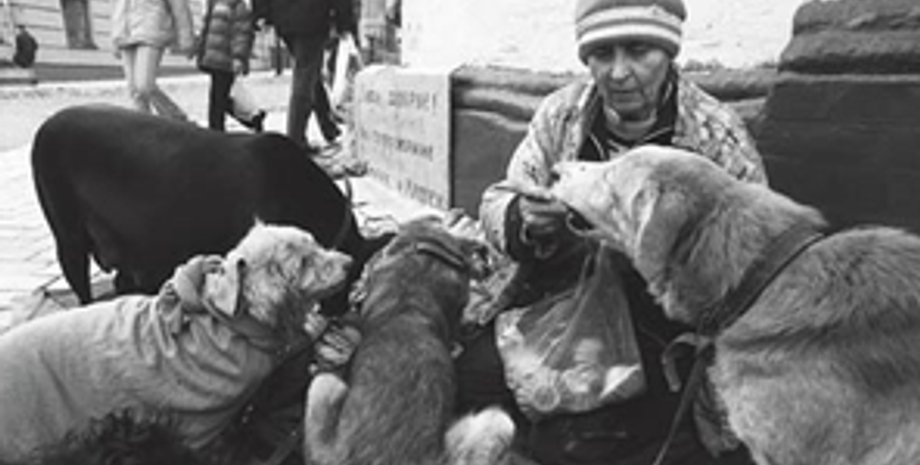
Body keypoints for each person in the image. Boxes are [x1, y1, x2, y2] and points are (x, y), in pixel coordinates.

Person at [461, 0, 767, 464]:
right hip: (561, 301)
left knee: (612, 432)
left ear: (669, 52)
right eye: (603, 54)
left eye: (639, 50)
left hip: (661, 322)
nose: (619, 72)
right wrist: (523, 217)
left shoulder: (713, 135)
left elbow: (753, 256)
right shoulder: (563, 116)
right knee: (471, 377)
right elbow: (499, 199)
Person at [252, 0, 354, 151]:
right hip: (312, 17)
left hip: (284, 17)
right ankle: (295, 139)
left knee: (310, 72)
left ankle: (329, 128)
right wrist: (344, 22)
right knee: (305, 76)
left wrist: (262, 13)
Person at [110, 0, 195, 120]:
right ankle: (144, 128)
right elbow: (118, 6)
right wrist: (115, 36)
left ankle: (176, 117)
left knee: (145, 86)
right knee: (135, 93)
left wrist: (186, 37)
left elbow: (179, 6)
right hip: (125, 33)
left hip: (151, 29)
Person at [196, 0, 267, 132]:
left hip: (226, 60)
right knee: (220, 97)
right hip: (214, 58)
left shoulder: (238, 6)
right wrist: (201, 50)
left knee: (219, 98)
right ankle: (250, 118)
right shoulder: (214, 3)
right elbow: (207, 28)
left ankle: (217, 130)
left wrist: (238, 57)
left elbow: (241, 33)